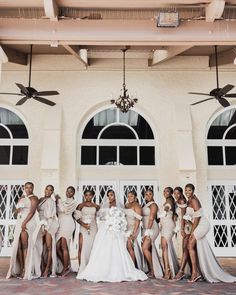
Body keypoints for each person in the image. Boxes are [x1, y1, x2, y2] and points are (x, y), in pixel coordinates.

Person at [77, 189, 147, 282]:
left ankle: (124, 269)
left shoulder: (121, 206)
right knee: (102, 249)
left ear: (115, 196)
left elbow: (123, 216)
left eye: (111, 195)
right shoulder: (104, 206)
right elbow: (99, 216)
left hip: (116, 230)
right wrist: (106, 219)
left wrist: (118, 224)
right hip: (105, 229)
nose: (110, 197)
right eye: (108, 195)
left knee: (118, 249)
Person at [185, 183, 236, 283]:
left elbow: (197, 217)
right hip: (197, 224)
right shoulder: (189, 200)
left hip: (202, 224)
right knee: (193, 246)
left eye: (189, 190)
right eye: (186, 190)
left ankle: (195, 273)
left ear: (193, 191)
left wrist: (192, 231)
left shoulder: (194, 200)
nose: (187, 192)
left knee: (190, 245)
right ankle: (199, 272)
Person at [6, 182, 41, 280]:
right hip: (20, 221)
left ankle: (26, 269)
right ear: (24, 188)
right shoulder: (22, 198)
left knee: (25, 245)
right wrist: (18, 206)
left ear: (33, 188)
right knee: (19, 246)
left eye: (30, 187)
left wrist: (24, 223)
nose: (28, 189)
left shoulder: (34, 198)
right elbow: (16, 211)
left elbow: (32, 212)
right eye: (26, 187)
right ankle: (21, 268)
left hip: (28, 222)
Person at [37, 185, 59, 278]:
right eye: (47, 189)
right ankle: (42, 267)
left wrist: (46, 228)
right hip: (40, 223)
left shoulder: (51, 201)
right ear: (44, 189)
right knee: (41, 247)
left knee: (49, 247)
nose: (48, 191)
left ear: (52, 192)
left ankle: (47, 269)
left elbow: (50, 216)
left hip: (49, 224)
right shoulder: (40, 199)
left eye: (50, 190)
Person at [75, 189, 99, 273]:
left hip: (93, 227)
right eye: (86, 195)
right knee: (82, 247)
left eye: (90, 195)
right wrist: (83, 224)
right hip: (83, 227)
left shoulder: (96, 206)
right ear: (84, 196)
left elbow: (100, 217)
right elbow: (76, 218)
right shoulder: (80, 205)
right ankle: (81, 267)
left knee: (92, 247)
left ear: (93, 196)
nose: (88, 196)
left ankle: (90, 267)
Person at [56, 186, 78, 277]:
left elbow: (64, 210)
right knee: (57, 247)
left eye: (71, 192)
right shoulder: (63, 202)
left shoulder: (74, 203)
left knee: (64, 246)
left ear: (74, 193)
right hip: (60, 224)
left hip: (68, 224)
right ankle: (67, 264)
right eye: (67, 191)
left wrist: (59, 200)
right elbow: (58, 213)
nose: (69, 193)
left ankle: (65, 269)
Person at [142, 189, 163, 278]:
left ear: (153, 195)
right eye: (146, 194)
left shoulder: (153, 205)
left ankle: (153, 270)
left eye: (150, 194)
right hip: (146, 229)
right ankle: (154, 269)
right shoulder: (146, 205)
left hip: (151, 228)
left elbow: (151, 218)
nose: (148, 196)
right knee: (148, 249)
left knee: (145, 248)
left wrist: (147, 231)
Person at [159, 187, 179, 279]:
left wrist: (164, 211)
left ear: (171, 193)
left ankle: (168, 270)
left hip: (168, 226)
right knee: (164, 247)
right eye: (164, 191)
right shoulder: (168, 200)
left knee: (164, 246)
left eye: (167, 191)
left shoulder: (169, 200)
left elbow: (167, 207)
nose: (165, 192)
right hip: (165, 226)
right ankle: (168, 268)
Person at [173, 186, 191, 281]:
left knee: (185, 248)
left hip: (186, 227)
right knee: (185, 249)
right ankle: (191, 270)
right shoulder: (177, 202)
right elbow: (179, 214)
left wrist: (182, 229)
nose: (176, 195)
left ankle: (181, 272)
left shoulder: (182, 201)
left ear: (181, 193)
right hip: (181, 225)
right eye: (174, 193)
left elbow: (184, 216)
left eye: (178, 193)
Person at [124, 191, 145, 270]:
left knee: (130, 246)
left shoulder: (137, 206)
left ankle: (133, 267)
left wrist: (134, 232)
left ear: (135, 197)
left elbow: (138, 220)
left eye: (131, 196)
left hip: (133, 227)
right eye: (128, 196)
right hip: (126, 227)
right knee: (126, 246)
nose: (129, 198)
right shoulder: (126, 205)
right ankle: (129, 265)